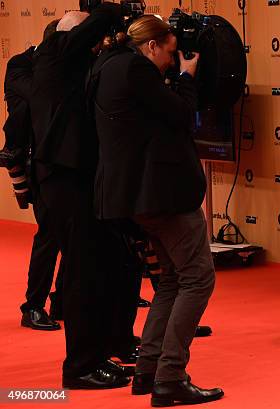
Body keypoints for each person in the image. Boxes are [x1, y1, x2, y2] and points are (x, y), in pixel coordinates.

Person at [92, 15, 223, 406]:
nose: (172, 58)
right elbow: (182, 115)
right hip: (162, 195)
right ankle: (170, 377)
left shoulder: (108, 64)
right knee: (198, 278)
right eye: (168, 51)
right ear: (151, 46)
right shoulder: (137, 70)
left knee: (171, 279)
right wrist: (186, 77)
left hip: (133, 196)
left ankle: (148, 371)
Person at [29, 4, 133, 388]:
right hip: (65, 181)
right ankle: (80, 367)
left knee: (92, 272)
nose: (95, 46)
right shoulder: (56, 55)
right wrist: (118, 10)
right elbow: (97, 23)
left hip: (74, 180)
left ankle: (96, 355)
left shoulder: (65, 66)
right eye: (87, 38)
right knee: (82, 275)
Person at [0, 19, 65, 332]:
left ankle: (63, 298)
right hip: (33, 160)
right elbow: (39, 98)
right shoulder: (21, 65)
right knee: (50, 233)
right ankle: (33, 306)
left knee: (76, 234)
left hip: (65, 159)